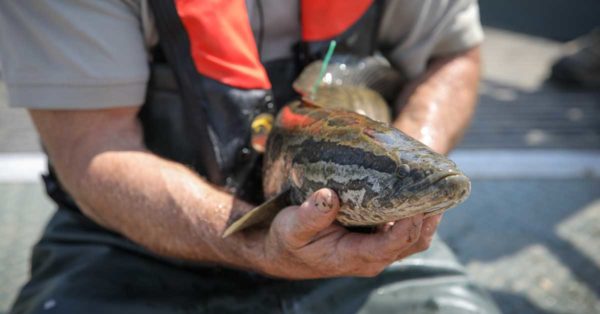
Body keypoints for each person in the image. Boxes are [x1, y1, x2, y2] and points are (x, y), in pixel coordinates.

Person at [0, 1, 500, 313]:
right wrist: (258, 240)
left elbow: (452, 55)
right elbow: (92, 146)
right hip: (125, 232)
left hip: (364, 248)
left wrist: (412, 148)